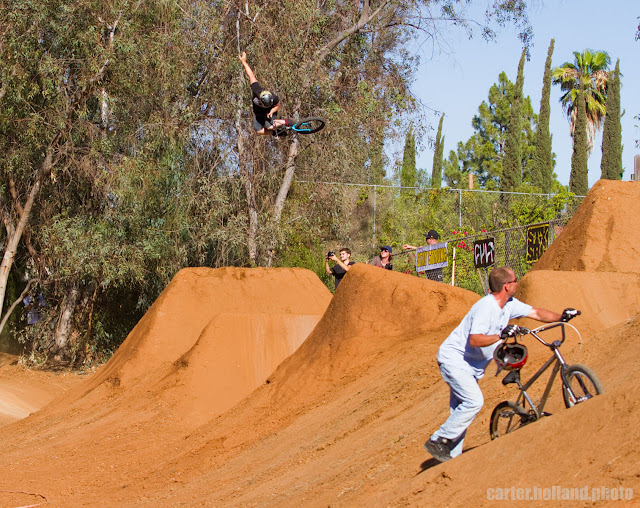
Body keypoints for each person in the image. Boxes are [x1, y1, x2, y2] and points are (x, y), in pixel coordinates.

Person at [424, 266, 571, 462]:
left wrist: (561, 317)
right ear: (506, 286)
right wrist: (500, 335)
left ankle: (451, 457)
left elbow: (535, 312)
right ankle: (438, 439)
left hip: (472, 367)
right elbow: (475, 339)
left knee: (461, 412)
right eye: (515, 280)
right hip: (455, 360)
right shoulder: (486, 307)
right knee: (473, 402)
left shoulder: (509, 304)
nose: (518, 283)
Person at [238, 51, 292, 136]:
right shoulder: (256, 90)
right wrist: (243, 61)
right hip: (258, 113)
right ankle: (276, 133)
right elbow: (251, 75)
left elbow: (277, 106)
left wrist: (272, 111)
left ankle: (287, 122)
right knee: (259, 131)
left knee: (269, 126)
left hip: (269, 112)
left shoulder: (274, 98)